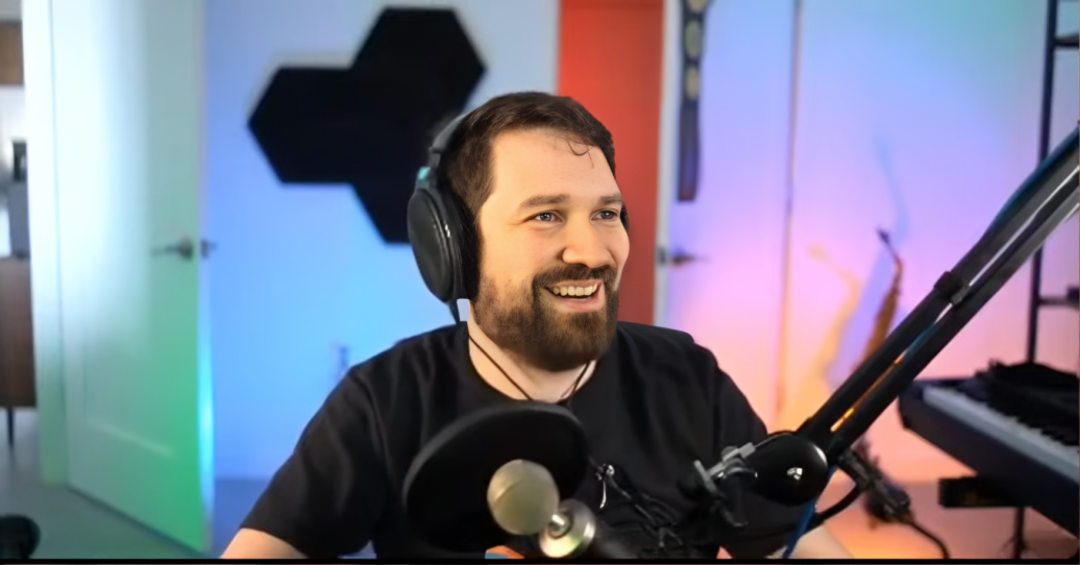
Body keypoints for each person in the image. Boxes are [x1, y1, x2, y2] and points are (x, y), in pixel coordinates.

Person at [222, 92, 853, 560]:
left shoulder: (686, 376)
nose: (593, 250)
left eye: (606, 212)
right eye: (547, 216)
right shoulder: (388, 399)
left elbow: (803, 550)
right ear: (455, 251)